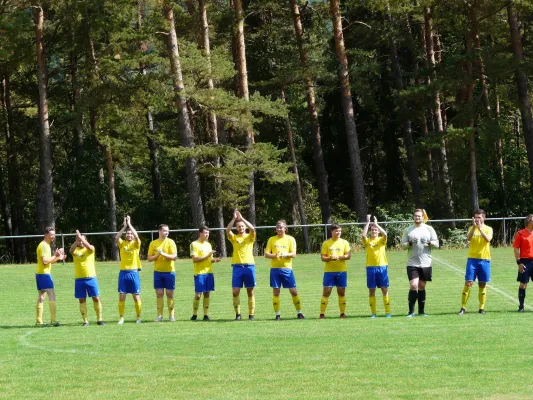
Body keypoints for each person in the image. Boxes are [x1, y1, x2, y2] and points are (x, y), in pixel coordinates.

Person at [264, 220, 305, 320]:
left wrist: (285, 254)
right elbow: (266, 254)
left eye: (281, 227)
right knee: (276, 291)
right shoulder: (272, 239)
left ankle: (299, 312)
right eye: (277, 227)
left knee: (293, 291)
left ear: (285, 229)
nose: (279, 229)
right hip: (274, 269)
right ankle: (277, 315)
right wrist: (275, 255)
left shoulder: (290, 239)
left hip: (287, 269)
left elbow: (294, 254)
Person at [402, 209, 439, 317]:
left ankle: (421, 312)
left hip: (426, 263)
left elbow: (436, 244)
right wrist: (409, 243)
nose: (417, 218)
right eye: (415, 216)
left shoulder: (429, 229)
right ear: (413, 217)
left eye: (419, 216)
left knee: (422, 286)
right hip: (412, 263)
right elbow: (402, 245)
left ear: (423, 217)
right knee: (414, 285)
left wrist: (429, 243)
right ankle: (411, 312)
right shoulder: (408, 230)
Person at [458, 209, 493, 315]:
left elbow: (488, 239)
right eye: (476, 217)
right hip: (472, 259)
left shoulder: (488, 229)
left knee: (482, 284)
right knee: (468, 283)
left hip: (484, 259)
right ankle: (463, 307)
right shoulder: (471, 228)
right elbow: (468, 238)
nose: (477, 219)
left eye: (479, 217)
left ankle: (481, 308)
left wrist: (480, 228)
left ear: (484, 218)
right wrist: (474, 227)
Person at [226, 210, 256, 320]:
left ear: (245, 227)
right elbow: (228, 230)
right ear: (237, 228)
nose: (241, 228)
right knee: (235, 291)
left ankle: (251, 315)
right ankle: (238, 314)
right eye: (239, 227)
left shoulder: (249, 237)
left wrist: (242, 218)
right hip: (237, 267)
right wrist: (234, 219)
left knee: (250, 291)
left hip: (249, 266)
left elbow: (252, 228)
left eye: (242, 226)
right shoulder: (234, 238)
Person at [70, 230, 105, 326]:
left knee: (96, 298)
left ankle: (99, 319)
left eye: (82, 240)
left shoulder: (90, 249)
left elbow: (89, 246)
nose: (80, 242)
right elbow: (71, 250)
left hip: (91, 278)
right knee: (82, 300)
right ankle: (85, 321)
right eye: (79, 241)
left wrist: (80, 237)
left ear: (86, 240)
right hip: (79, 280)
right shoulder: (75, 251)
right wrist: (77, 239)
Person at [35, 227, 66, 327]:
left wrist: (57, 258)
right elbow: (45, 262)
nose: (53, 237)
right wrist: (56, 255)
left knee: (41, 296)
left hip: (40, 273)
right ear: (46, 234)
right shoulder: (44, 246)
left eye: (54, 235)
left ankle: (39, 321)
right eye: (51, 234)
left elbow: (48, 261)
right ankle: (53, 320)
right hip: (44, 274)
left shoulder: (46, 245)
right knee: (51, 294)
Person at [362, 215, 391, 318]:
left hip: (382, 267)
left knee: (384, 289)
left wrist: (376, 224)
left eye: (375, 230)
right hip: (370, 268)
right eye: (372, 230)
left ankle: (387, 312)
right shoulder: (368, 241)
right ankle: (373, 313)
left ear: (378, 231)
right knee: (371, 290)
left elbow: (385, 234)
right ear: (370, 231)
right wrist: (368, 222)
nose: (374, 231)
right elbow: (363, 236)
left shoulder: (381, 240)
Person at [190, 226, 221, 321]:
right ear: (200, 233)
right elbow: (195, 259)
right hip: (199, 273)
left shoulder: (208, 245)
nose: (207, 235)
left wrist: (214, 260)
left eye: (208, 233)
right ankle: (194, 314)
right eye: (205, 233)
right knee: (198, 295)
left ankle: (205, 315)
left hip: (209, 272)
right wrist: (207, 255)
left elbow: (209, 259)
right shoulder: (194, 244)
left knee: (207, 294)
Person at [320, 223, 351, 318]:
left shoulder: (344, 242)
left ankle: (342, 313)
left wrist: (338, 257)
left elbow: (348, 256)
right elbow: (322, 257)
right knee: (326, 292)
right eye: (336, 231)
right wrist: (330, 258)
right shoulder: (326, 243)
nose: (338, 233)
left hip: (341, 271)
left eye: (340, 231)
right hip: (329, 272)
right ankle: (322, 314)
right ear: (331, 232)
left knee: (341, 292)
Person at [115, 215, 142, 324]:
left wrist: (129, 225)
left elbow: (137, 236)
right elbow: (117, 238)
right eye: (128, 234)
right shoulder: (122, 244)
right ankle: (121, 317)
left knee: (136, 297)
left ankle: (138, 317)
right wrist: (124, 226)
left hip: (133, 273)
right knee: (122, 296)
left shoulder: (136, 244)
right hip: (123, 273)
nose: (129, 235)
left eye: (130, 234)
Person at [148, 224, 178, 322]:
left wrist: (163, 254)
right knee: (159, 294)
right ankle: (159, 316)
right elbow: (149, 258)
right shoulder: (153, 243)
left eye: (168, 231)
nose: (167, 233)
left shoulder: (171, 242)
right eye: (165, 231)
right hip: (158, 272)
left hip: (169, 272)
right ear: (159, 231)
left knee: (169, 294)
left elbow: (174, 257)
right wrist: (157, 255)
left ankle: (171, 315)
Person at [513, 214, 533, 312]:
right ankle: (521, 306)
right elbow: (516, 248)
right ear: (529, 221)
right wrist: (519, 262)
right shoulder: (520, 234)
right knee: (523, 284)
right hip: (525, 261)